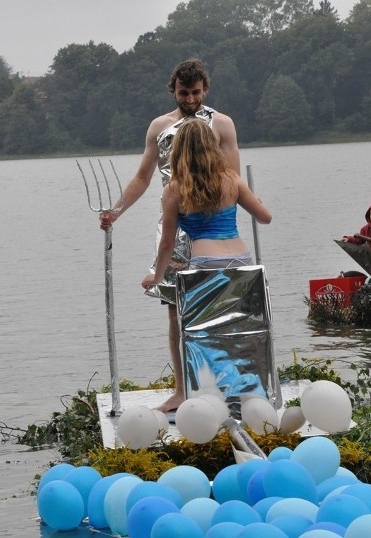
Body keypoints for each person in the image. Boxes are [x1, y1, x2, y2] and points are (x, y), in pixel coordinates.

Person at [98, 59, 241, 414]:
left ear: (205, 89)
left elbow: (234, 180)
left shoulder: (222, 124)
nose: (190, 99)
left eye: (195, 92)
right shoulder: (159, 127)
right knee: (176, 315)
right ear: (173, 91)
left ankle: (226, 385)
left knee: (222, 310)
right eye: (183, 93)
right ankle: (182, 390)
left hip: (213, 231)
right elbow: (143, 177)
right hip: (174, 232)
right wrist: (115, 211)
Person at [140, 119, 271, 412]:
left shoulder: (174, 189)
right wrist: (254, 199)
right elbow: (265, 217)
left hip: (205, 262)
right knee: (240, 330)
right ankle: (248, 395)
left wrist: (156, 276)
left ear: (179, 151)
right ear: (213, 146)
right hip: (242, 261)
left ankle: (203, 396)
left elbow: (167, 244)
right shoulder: (232, 179)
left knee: (202, 333)